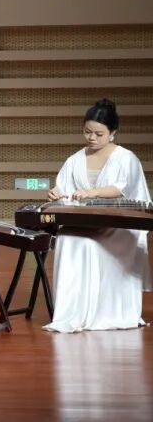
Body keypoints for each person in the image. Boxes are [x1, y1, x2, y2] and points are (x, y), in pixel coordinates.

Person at [44, 98, 150, 333]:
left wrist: (93, 192)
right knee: (68, 239)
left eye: (99, 134)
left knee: (89, 245)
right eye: (87, 132)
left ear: (113, 133)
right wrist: (56, 193)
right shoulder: (75, 159)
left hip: (117, 226)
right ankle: (72, 313)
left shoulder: (126, 158)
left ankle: (104, 312)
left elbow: (122, 188)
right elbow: (65, 190)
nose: (92, 138)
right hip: (85, 223)